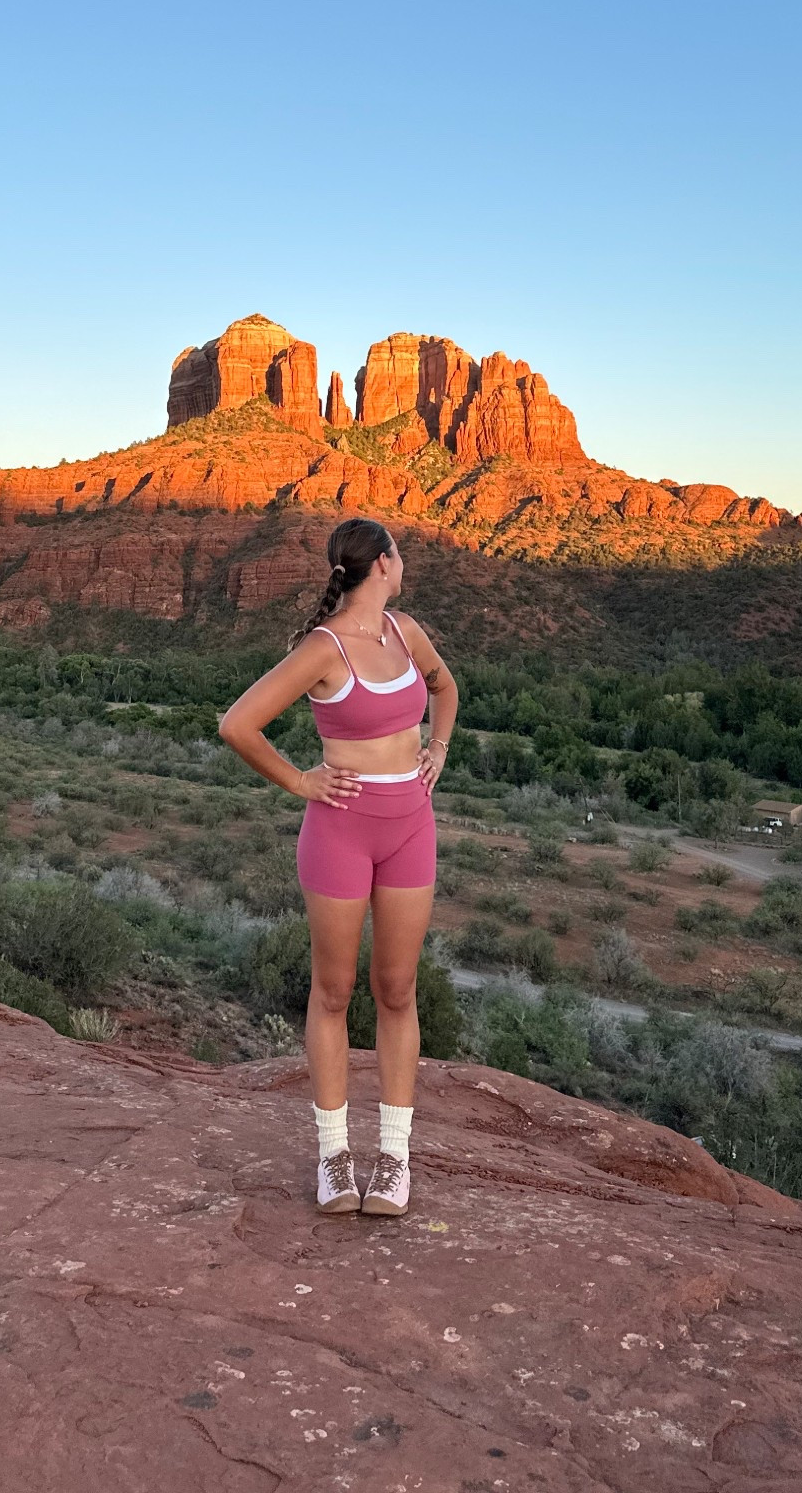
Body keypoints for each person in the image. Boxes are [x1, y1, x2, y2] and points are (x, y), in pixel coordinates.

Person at [218, 517, 457, 1218]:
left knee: (397, 989)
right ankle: (333, 1156)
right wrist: (301, 781)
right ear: (382, 563)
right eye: (400, 555)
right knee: (332, 991)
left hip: (411, 826)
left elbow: (445, 688)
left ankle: (393, 1159)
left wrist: (438, 748)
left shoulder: (405, 633)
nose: (403, 565)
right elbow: (237, 724)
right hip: (340, 832)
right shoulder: (323, 649)